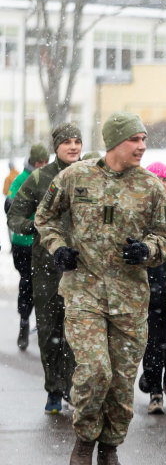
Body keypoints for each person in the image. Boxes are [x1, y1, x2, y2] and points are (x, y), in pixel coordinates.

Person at [35, 112, 166, 465]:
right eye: (135, 139)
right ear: (115, 142)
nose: (142, 146)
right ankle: (84, 439)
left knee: (121, 381)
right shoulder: (75, 176)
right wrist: (58, 247)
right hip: (84, 292)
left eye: (144, 139)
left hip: (130, 299)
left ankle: (110, 450)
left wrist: (147, 250)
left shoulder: (150, 187)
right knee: (95, 369)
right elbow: (44, 218)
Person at [7, 127, 82, 414]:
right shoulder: (39, 178)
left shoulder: (91, 174)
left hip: (81, 268)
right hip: (47, 267)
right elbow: (15, 216)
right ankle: (53, 388)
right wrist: (37, 231)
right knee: (50, 330)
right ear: (56, 146)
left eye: (77, 142)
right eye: (67, 142)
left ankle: (74, 388)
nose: (73, 147)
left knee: (78, 331)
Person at [138, 162, 166, 414]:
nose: (161, 184)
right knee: (152, 345)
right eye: (156, 179)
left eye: (164, 179)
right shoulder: (141, 213)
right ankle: (155, 392)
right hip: (148, 289)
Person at [5, 144, 50, 350]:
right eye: (40, 162)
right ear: (34, 162)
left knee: (40, 285)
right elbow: (9, 205)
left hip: (41, 242)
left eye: (45, 162)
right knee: (29, 282)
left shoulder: (48, 178)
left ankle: (38, 324)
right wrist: (29, 219)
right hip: (24, 243)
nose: (43, 165)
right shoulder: (22, 179)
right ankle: (25, 322)